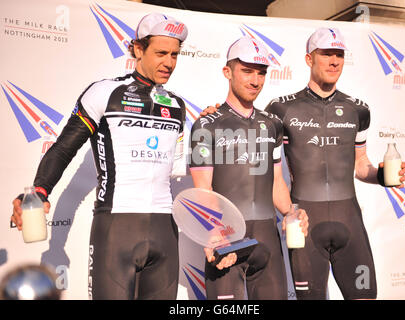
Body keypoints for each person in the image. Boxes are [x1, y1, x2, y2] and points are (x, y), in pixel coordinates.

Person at [11, 13, 188, 300]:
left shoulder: (177, 105)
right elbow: (64, 148)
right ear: (138, 49)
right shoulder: (105, 92)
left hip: (165, 230)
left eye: (175, 55)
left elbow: (179, 168)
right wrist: (40, 192)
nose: (169, 62)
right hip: (117, 228)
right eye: (161, 53)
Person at [265, 27, 405, 300]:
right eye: (327, 54)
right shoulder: (280, 110)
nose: (334, 61)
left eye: (339, 54)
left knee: (366, 296)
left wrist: (382, 175)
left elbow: (361, 165)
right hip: (305, 224)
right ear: (309, 59)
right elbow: (270, 172)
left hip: (349, 222)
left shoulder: (359, 109)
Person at [189, 36, 308, 300]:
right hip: (226, 241)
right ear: (227, 72)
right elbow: (203, 190)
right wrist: (213, 232)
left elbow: (277, 182)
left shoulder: (272, 124)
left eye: (261, 73)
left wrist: (291, 213)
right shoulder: (206, 125)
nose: (255, 80)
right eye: (247, 71)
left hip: (268, 243)